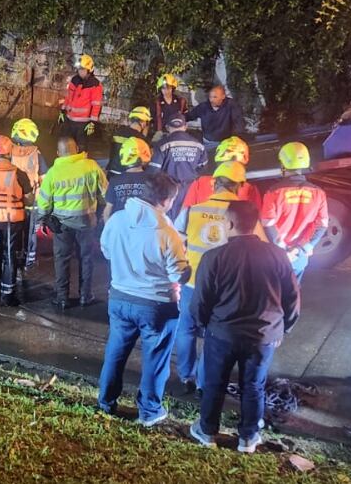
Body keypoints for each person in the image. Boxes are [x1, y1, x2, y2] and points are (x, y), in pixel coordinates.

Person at [189, 201, 300, 453]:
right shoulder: (278, 255)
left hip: (222, 333)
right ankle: (248, 437)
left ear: (229, 223)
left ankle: (207, 431)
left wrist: (204, 325)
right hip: (263, 336)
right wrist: (283, 328)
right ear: (256, 224)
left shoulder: (214, 257)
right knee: (254, 386)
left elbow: (201, 300)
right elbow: (292, 297)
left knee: (215, 383)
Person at [98, 172, 191, 427]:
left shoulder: (117, 219)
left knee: (115, 353)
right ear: (166, 200)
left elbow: (106, 251)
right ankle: (149, 411)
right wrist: (189, 268)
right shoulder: (167, 232)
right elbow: (178, 274)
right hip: (156, 305)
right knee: (155, 359)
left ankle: (105, 402)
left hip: (119, 298)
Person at [173, 161, 265, 394]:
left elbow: (175, 242)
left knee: (186, 330)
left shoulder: (192, 210)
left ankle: (185, 375)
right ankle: (204, 383)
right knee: (213, 336)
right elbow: (261, 247)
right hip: (225, 289)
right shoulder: (243, 214)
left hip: (192, 283)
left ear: (214, 183)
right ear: (240, 186)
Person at [37, 137, 108, 309]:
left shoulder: (53, 172)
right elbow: (105, 193)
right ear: (76, 149)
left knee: (62, 261)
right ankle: (85, 296)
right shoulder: (91, 166)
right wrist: (100, 213)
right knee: (86, 259)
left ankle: (62, 298)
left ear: (58, 153)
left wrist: (43, 218)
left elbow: (44, 201)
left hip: (62, 225)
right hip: (86, 222)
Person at [261, 142, 329, 283]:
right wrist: (301, 249)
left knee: (271, 293)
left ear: (283, 165)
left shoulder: (273, 192)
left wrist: (283, 250)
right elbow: (322, 225)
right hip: (299, 257)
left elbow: (268, 224)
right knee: (293, 291)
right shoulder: (319, 193)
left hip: (276, 256)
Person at [0, 135, 34, 306]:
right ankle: (8, 295)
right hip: (12, 222)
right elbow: (29, 199)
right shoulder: (18, 173)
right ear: (9, 152)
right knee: (9, 256)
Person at [149, 114, 208, 219]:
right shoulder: (198, 145)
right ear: (185, 127)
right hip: (191, 188)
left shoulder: (162, 145)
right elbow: (203, 167)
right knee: (187, 218)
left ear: (167, 127)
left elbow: (153, 171)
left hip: (169, 190)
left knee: (168, 220)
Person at [180, 136, 262, 211]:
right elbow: (257, 220)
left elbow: (184, 214)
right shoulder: (250, 190)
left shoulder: (199, 183)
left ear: (218, 162)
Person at [10, 118, 49, 269]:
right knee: (30, 232)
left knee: (14, 231)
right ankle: (29, 261)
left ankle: (14, 258)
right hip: (31, 201)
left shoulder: (9, 152)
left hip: (13, 200)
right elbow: (44, 178)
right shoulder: (36, 154)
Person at [58, 54, 103, 150]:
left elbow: (96, 105)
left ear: (89, 70)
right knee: (66, 146)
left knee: (81, 147)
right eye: (79, 69)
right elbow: (68, 97)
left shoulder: (95, 85)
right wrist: (62, 111)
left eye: (83, 70)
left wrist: (92, 122)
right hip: (70, 120)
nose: (80, 72)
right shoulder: (74, 80)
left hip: (83, 123)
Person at [103, 137, 151, 222]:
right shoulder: (152, 180)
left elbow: (107, 211)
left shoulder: (115, 180)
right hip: (144, 226)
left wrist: (109, 227)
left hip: (120, 225)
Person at [107, 106, 152, 176]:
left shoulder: (117, 132)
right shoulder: (141, 139)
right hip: (127, 174)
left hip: (111, 171)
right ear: (143, 123)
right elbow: (146, 159)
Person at [153, 73, 189, 142]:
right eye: (163, 88)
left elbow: (185, 116)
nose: (166, 91)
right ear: (160, 89)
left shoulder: (180, 101)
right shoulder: (156, 102)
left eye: (168, 88)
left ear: (173, 88)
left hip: (177, 131)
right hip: (161, 133)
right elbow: (154, 118)